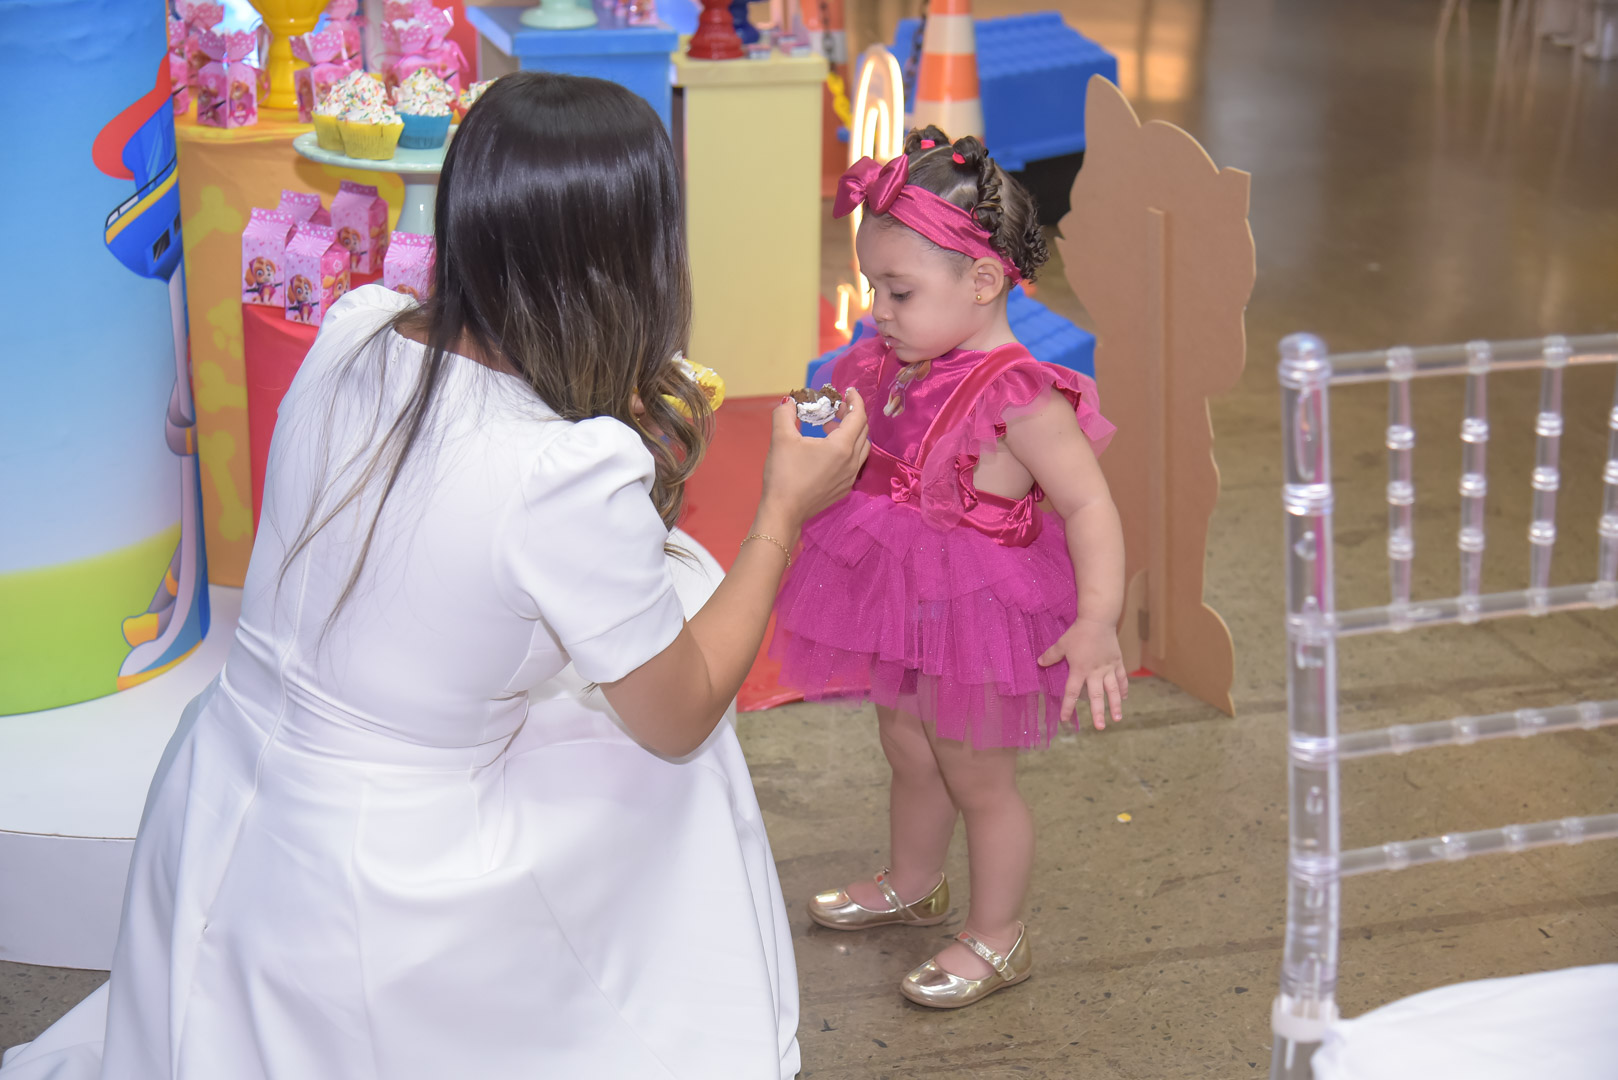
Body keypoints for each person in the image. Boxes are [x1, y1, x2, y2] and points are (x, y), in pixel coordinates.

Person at [0, 72, 868, 1080]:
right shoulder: (563, 475)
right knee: (686, 757)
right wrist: (780, 514)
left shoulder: (354, 328)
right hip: (381, 885)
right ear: (630, 257)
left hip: (212, 803)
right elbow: (675, 718)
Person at [771, 127, 1126, 1009]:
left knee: (978, 776)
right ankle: (914, 881)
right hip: (904, 600)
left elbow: (1089, 506)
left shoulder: (1021, 396)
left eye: (899, 291)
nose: (878, 311)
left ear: (982, 282)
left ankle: (1000, 935)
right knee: (905, 744)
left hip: (980, 616)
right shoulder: (895, 361)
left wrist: (1098, 620)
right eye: (874, 287)